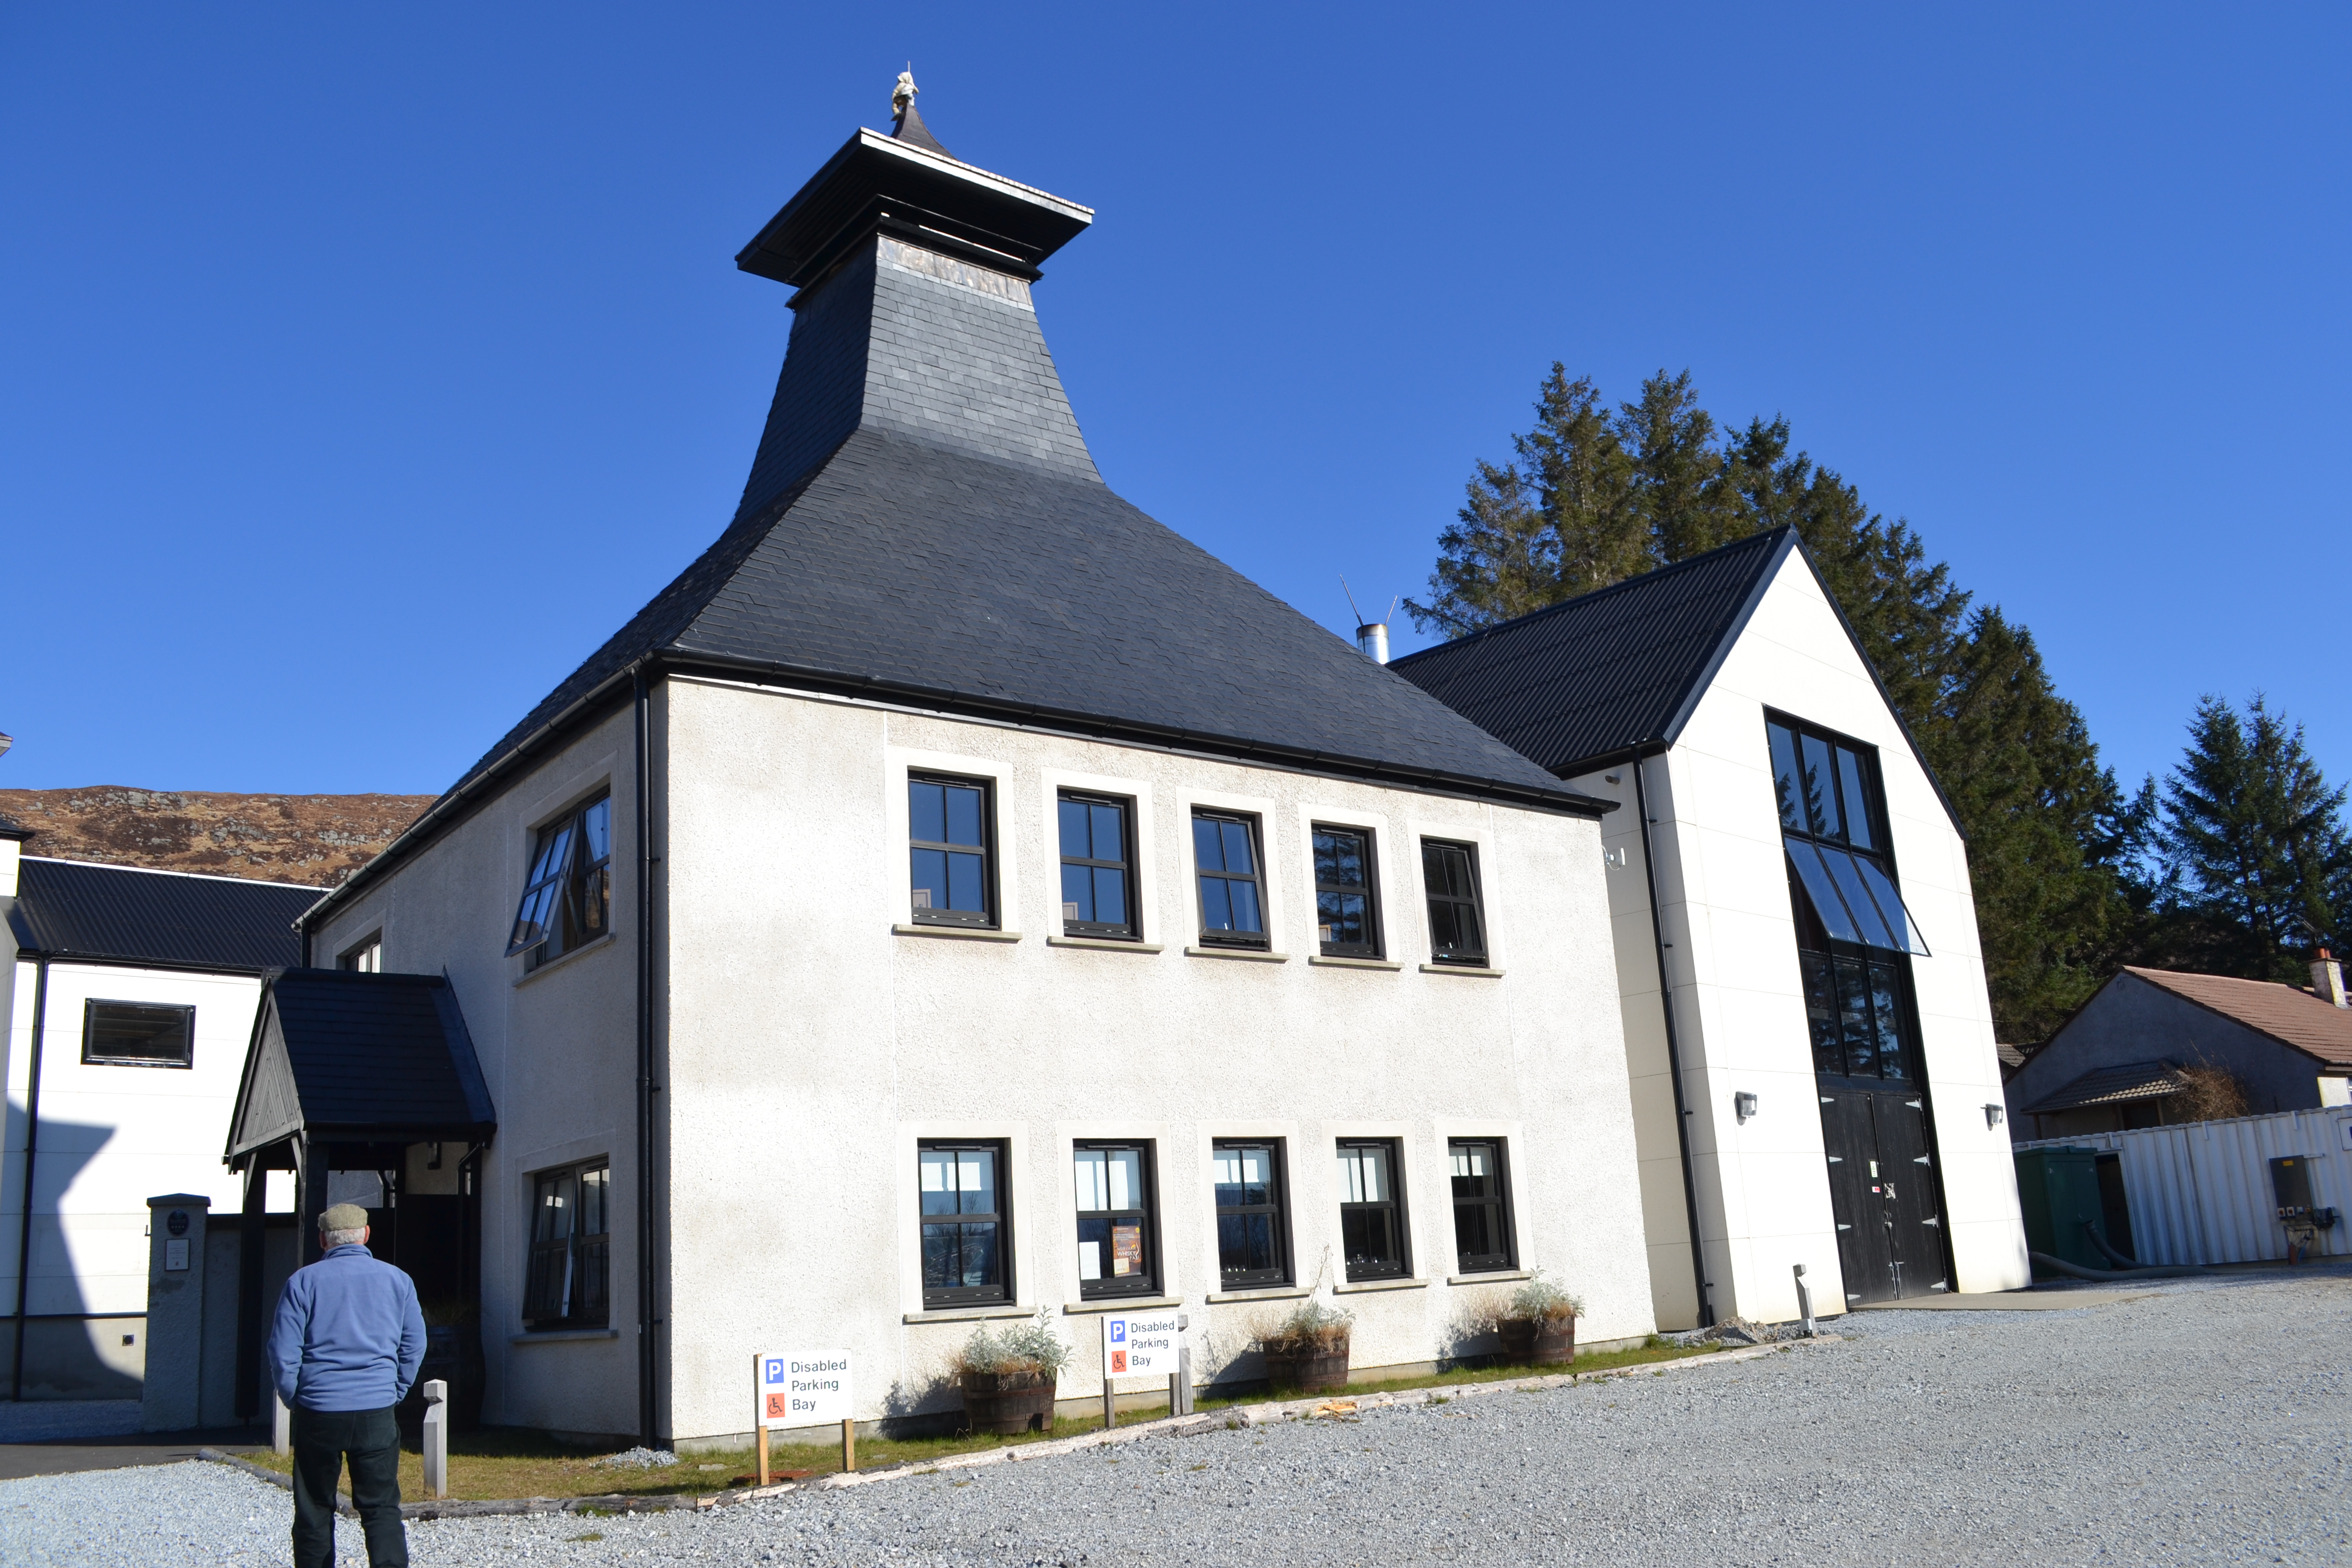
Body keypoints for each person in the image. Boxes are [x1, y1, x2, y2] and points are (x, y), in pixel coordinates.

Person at [267, 1200, 428, 1568]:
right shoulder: (398, 1280)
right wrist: (396, 1389)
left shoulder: (303, 1282)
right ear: (366, 1234)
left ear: (323, 1240)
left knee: (314, 1507)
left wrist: (296, 1397)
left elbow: (282, 1351)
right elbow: (415, 1343)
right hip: (376, 1407)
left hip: (319, 1408)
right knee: (381, 1506)